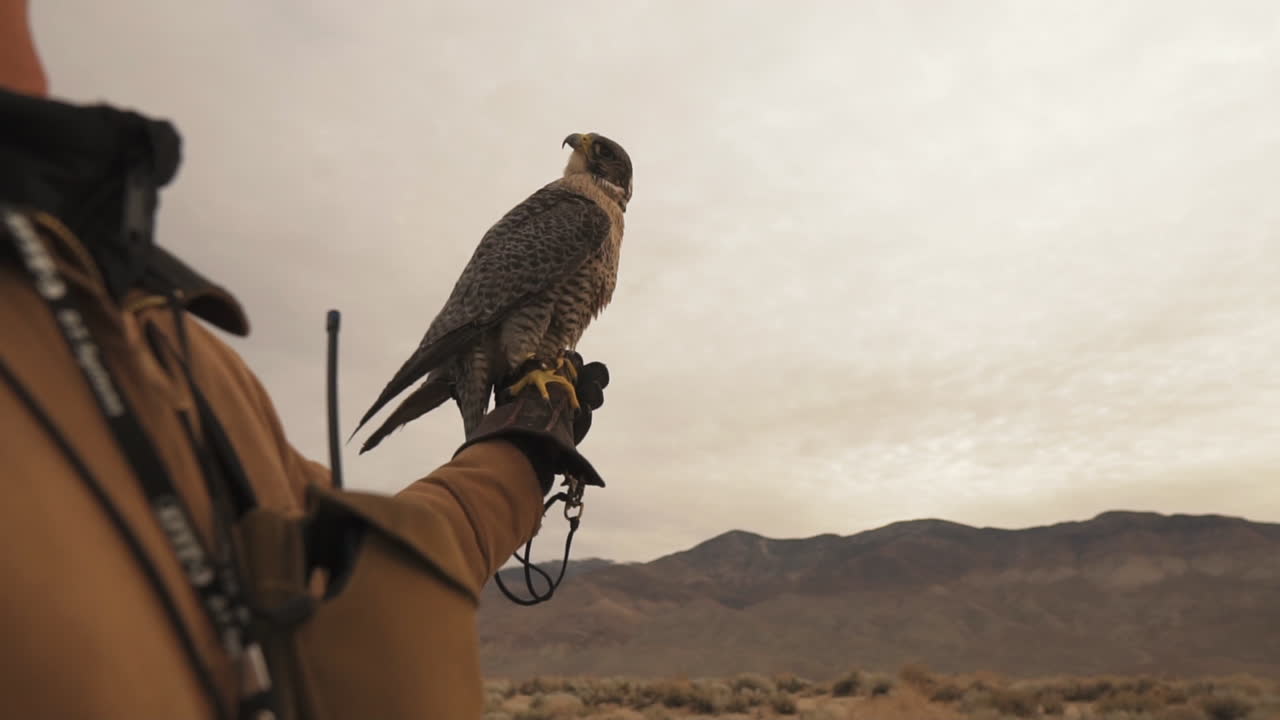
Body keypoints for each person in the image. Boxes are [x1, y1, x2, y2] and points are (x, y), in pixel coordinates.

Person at [0, 3, 610, 718]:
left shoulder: (172, 351)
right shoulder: (575, 212)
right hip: (480, 335)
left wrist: (519, 450)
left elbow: (378, 568)